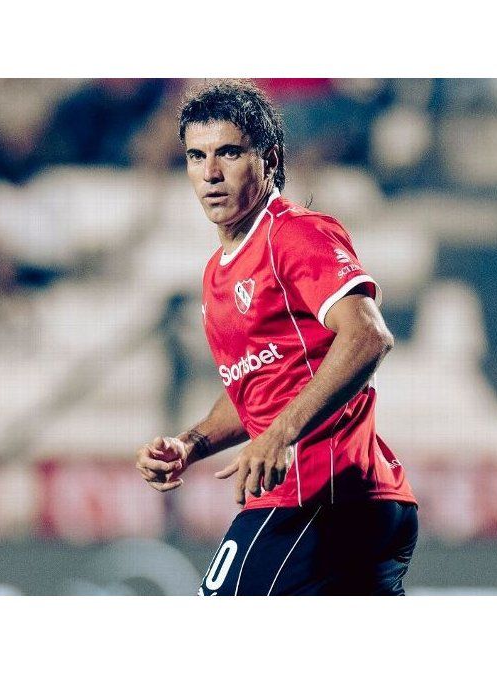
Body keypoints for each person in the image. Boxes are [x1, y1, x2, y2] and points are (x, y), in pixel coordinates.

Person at [133, 80, 417, 596]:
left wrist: (280, 435)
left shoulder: (294, 235)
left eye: (229, 153)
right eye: (196, 156)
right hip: (357, 503)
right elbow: (255, 389)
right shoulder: (216, 273)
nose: (210, 173)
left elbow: (368, 334)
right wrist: (189, 444)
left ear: (269, 159)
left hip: (320, 496)